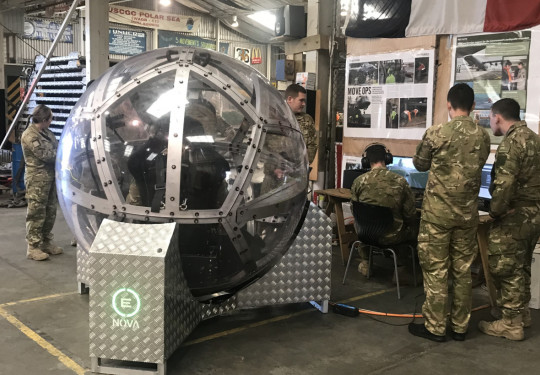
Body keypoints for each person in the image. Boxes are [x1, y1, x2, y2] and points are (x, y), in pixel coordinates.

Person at [408, 83, 490, 342]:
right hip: (467, 215)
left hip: (437, 216)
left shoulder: (437, 132)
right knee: (462, 270)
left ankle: (435, 327)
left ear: (448, 105)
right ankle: (459, 327)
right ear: (473, 106)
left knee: (436, 270)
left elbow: (419, 164)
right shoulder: (483, 135)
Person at [478, 98, 540, 341]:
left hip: (515, 216)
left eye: (490, 118)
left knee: (505, 267)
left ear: (498, 117)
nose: (490, 122)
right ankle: (521, 313)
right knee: (522, 264)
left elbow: (504, 185)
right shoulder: (535, 139)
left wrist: (494, 212)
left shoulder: (510, 144)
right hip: (534, 214)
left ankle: (511, 324)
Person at [350, 143, 418, 280]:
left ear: (366, 162)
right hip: (392, 237)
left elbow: (354, 210)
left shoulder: (358, 182)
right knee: (414, 227)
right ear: (387, 159)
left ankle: (366, 264)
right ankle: (401, 269)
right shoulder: (400, 181)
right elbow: (410, 214)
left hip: (366, 235)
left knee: (361, 223)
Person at [21, 104, 63, 261]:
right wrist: (62, 154)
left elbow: (57, 146)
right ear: (45, 119)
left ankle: (45, 242)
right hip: (37, 180)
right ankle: (33, 247)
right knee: (36, 213)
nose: (52, 121)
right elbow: (46, 154)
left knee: (50, 212)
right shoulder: (30, 135)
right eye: (51, 118)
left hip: (50, 178)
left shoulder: (46, 132)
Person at [285, 84, 318, 165]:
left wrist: (303, 164)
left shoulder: (306, 120)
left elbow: (312, 145)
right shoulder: (276, 117)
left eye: (304, 101)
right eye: (301, 100)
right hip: (275, 171)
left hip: (298, 170)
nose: (304, 104)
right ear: (290, 99)